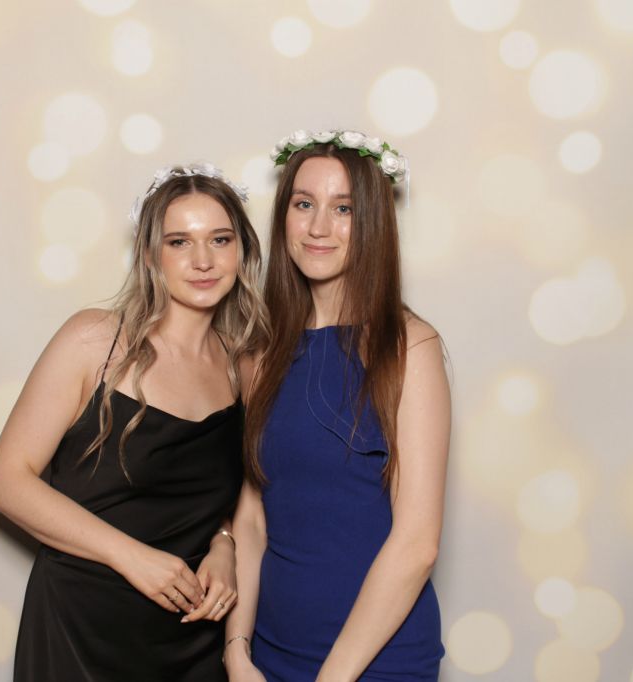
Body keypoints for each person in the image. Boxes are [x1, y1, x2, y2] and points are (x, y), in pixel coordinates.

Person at [0, 163, 268, 681]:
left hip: (191, 636)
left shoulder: (245, 366)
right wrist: (133, 558)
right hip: (80, 629)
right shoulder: (94, 341)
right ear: (150, 254)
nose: (203, 260)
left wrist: (224, 542)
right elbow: (6, 482)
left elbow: (240, 498)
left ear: (242, 251)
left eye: (220, 239)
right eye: (179, 242)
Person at [224, 130, 451, 681]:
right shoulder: (259, 355)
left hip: (377, 664)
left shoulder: (409, 348)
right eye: (304, 204)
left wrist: (333, 678)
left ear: (372, 221)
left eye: (343, 209)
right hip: (270, 657)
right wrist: (236, 650)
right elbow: (252, 520)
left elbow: (417, 544)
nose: (319, 227)